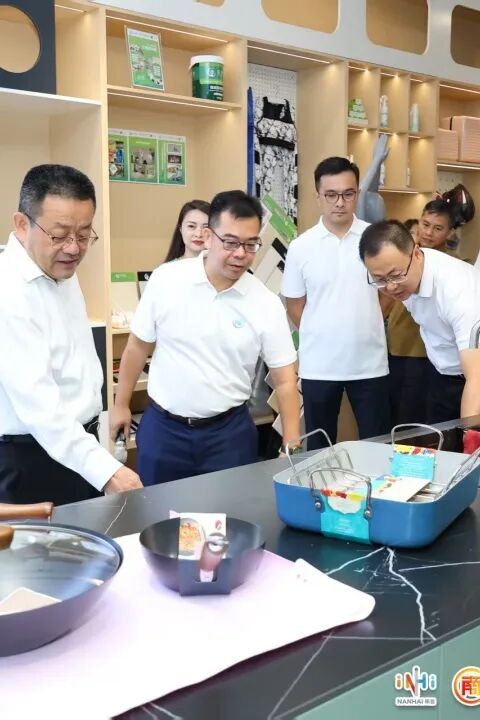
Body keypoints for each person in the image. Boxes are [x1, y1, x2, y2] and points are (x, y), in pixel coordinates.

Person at [110, 190, 300, 485]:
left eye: (251, 244)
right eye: (231, 242)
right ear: (209, 236)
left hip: (229, 435)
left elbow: (285, 380)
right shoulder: (167, 279)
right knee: (157, 509)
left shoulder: (265, 302)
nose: (241, 254)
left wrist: (291, 443)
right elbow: (137, 346)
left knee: (229, 511)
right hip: (164, 430)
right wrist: (121, 404)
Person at [0, 164, 143, 506]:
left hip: (77, 445)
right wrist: (106, 471)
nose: (74, 248)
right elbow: (40, 408)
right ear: (22, 224)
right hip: (33, 458)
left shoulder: (58, 266)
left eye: (83, 234)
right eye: (60, 235)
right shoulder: (9, 292)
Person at [281, 156, 389, 449]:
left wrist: (366, 323)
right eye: (331, 195)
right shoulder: (301, 247)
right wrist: (322, 330)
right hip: (319, 365)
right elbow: (294, 305)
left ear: (357, 194)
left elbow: (388, 293)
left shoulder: (375, 239)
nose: (339, 202)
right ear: (318, 196)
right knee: (319, 447)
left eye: (348, 194)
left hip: (370, 364)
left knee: (377, 445)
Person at [360, 219, 480, 423]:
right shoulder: (407, 272)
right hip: (441, 370)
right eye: (380, 279)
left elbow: (476, 378)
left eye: (396, 275)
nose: (391, 287)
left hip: (470, 376)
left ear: (416, 254)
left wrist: (470, 434)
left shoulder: (458, 291)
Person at [386, 200, 472, 425]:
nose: (429, 232)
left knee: (419, 415)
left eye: (438, 228)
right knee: (398, 410)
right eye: (425, 224)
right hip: (398, 347)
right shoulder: (400, 257)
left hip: (429, 356)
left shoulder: (454, 270)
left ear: (450, 232)